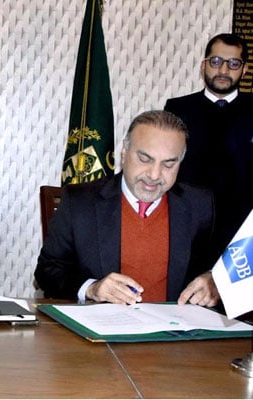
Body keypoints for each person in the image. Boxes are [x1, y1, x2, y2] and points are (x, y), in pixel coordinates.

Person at [35, 110, 219, 306]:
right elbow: (47, 271)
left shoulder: (198, 204)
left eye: (168, 164)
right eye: (145, 159)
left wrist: (214, 281)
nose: (154, 175)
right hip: (103, 330)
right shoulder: (80, 202)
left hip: (173, 331)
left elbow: (217, 268)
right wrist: (92, 288)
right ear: (124, 153)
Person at [164, 33, 253, 255]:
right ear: (203, 66)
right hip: (189, 229)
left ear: (245, 69)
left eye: (233, 63)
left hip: (244, 234)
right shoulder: (178, 109)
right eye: (216, 62)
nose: (223, 70)